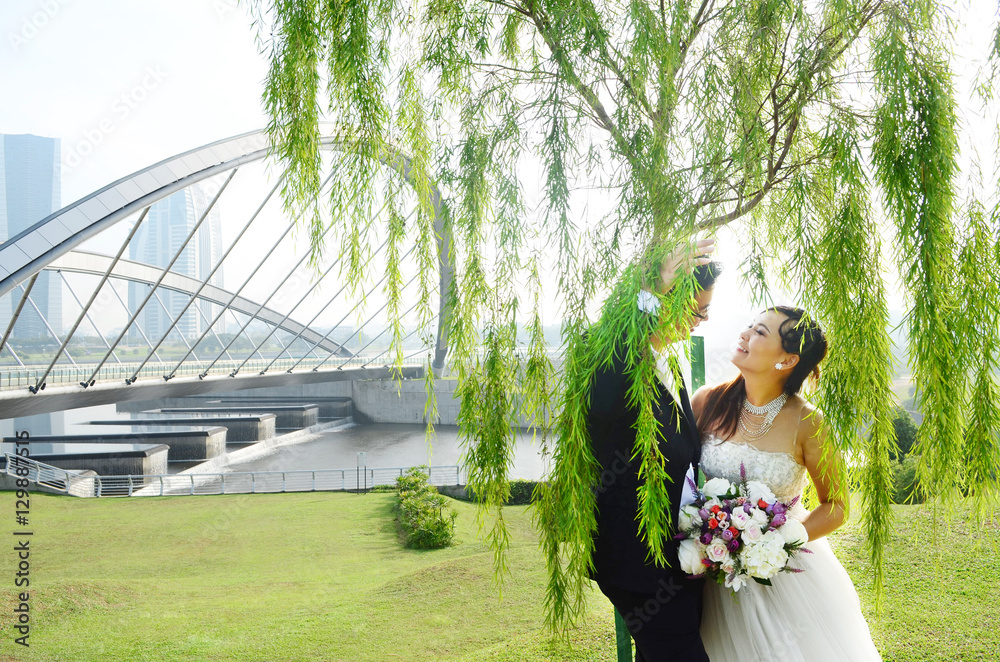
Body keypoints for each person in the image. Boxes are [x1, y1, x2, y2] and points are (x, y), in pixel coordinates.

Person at [691, 306, 882, 661]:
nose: (745, 334)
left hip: (786, 573)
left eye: (760, 332)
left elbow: (837, 506)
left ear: (787, 360)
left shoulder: (810, 423)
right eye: (749, 325)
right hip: (715, 570)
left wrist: (775, 543)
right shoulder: (707, 401)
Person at [589, 238, 721, 662]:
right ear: (663, 301)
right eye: (696, 310)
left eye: (707, 312)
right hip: (638, 564)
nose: (701, 322)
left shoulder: (668, 358)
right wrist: (649, 288)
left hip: (677, 558)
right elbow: (607, 343)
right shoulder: (616, 361)